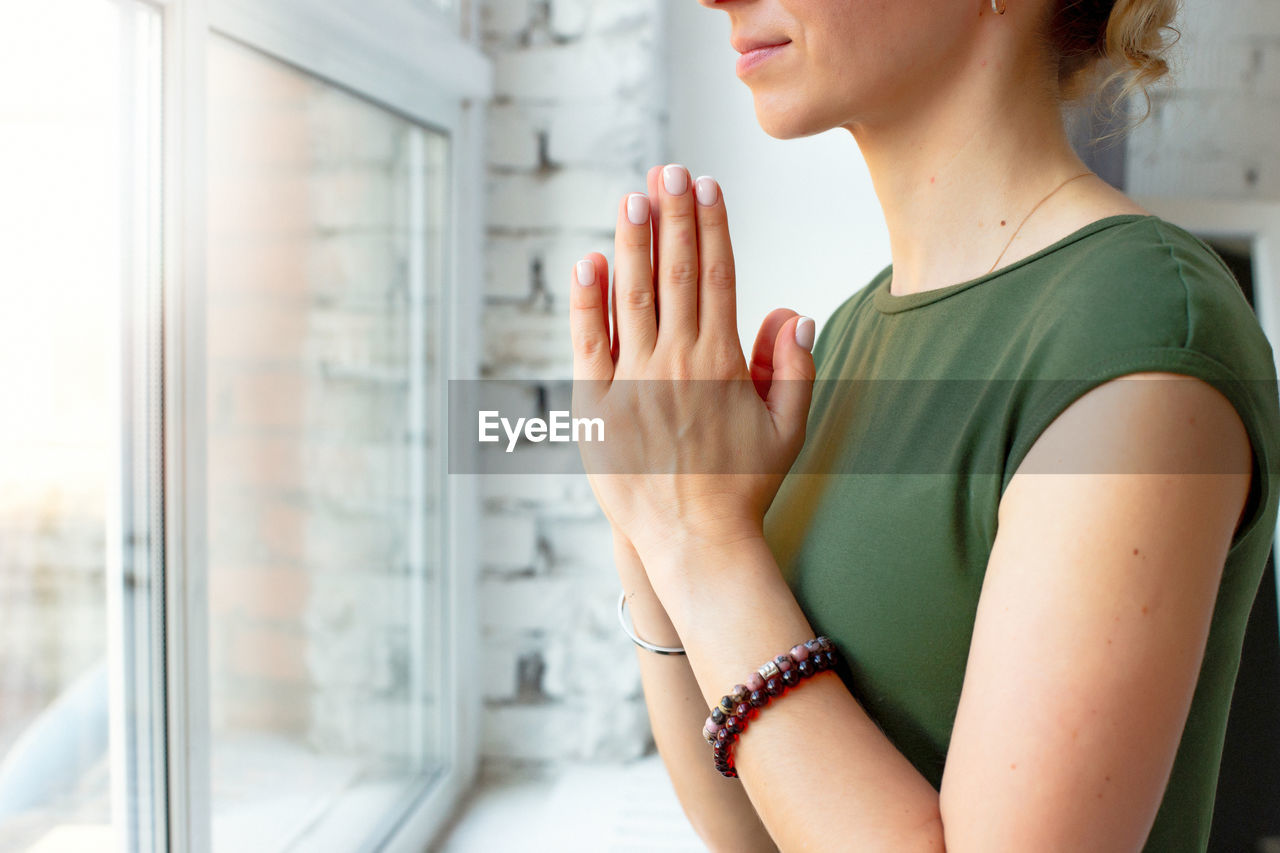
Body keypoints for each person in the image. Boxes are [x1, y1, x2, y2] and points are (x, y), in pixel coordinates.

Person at [566, 0, 1280, 849]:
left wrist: (704, 538)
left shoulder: (1137, 330)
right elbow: (751, 828)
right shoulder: (853, 332)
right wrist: (652, 516)